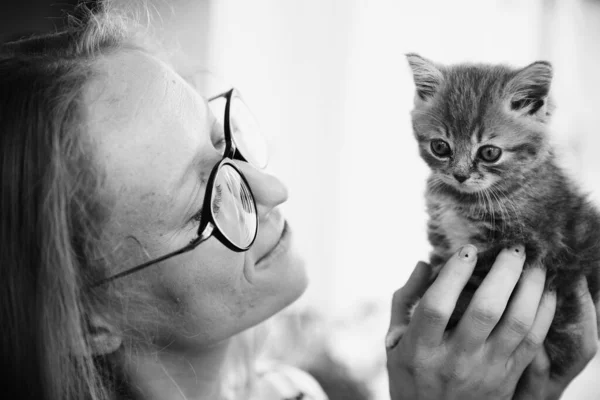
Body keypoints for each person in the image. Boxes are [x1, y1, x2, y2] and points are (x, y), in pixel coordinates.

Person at [0, 5, 597, 400]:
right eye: (207, 200)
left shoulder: (290, 390)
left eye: (223, 141)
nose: (273, 189)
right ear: (89, 320)